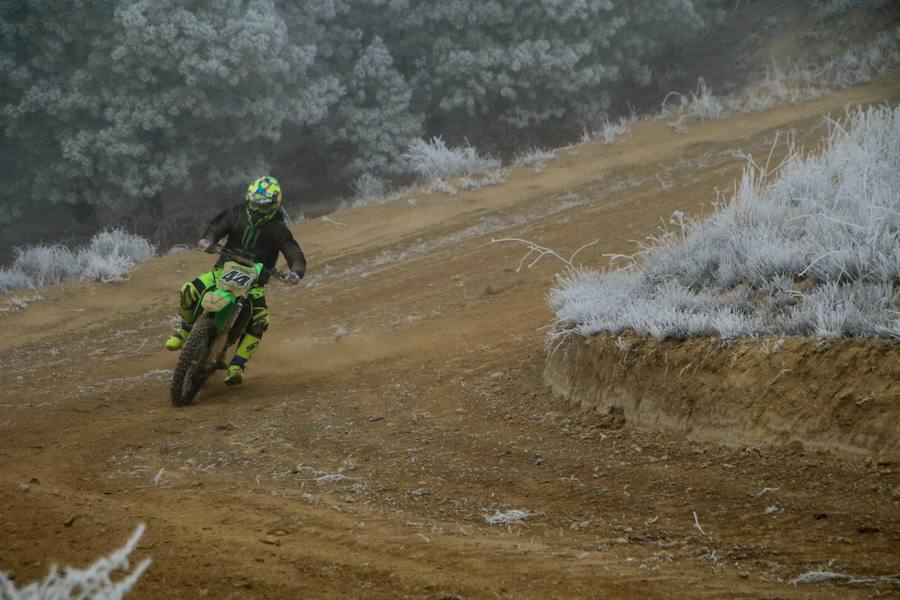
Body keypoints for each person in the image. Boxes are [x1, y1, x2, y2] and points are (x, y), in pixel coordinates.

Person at [164, 175, 306, 385]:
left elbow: (294, 253)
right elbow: (215, 228)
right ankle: (185, 329)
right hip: (222, 271)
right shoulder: (236, 213)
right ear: (249, 199)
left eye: (263, 206)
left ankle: (238, 364)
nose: (257, 210)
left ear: (274, 205)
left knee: (260, 320)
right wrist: (208, 240)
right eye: (254, 204)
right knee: (189, 290)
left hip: (255, 282)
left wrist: (296, 272)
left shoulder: (278, 229)